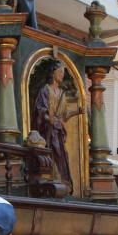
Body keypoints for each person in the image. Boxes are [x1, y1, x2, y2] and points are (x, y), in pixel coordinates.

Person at [31, 61, 81, 192]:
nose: (62, 75)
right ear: (53, 74)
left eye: (63, 73)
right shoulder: (45, 90)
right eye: (60, 72)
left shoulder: (62, 94)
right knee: (53, 152)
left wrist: (77, 111)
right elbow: (40, 109)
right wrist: (48, 119)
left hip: (58, 130)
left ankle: (62, 180)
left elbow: (64, 115)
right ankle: (52, 178)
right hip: (46, 130)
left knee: (61, 154)